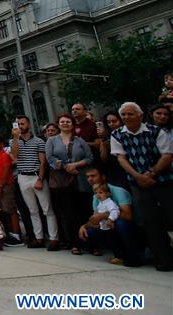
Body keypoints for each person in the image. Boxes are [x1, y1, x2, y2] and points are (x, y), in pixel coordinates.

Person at [110, 102, 173, 271]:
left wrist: (151, 174)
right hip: (137, 183)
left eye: (130, 114)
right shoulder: (117, 134)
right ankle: (164, 259)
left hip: (163, 181)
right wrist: (138, 176)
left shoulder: (156, 131)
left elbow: (167, 156)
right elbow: (121, 158)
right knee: (151, 223)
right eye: (123, 115)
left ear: (140, 116)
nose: (126, 118)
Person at [46, 113, 93, 255]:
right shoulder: (52, 141)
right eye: (62, 122)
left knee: (85, 211)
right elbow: (50, 158)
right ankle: (75, 243)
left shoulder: (80, 141)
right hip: (62, 182)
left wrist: (75, 165)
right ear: (58, 124)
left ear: (72, 125)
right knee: (69, 213)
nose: (65, 124)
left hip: (80, 180)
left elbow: (89, 157)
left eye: (68, 122)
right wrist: (65, 166)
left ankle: (90, 243)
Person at [11, 115, 58, 250]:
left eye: (23, 124)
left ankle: (54, 238)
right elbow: (14, 156)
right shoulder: (15, 141)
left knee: (47, 209)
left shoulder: (39, 141)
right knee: (32, 210)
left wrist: (40, 179)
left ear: (29, 125)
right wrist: (15, 138)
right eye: (18, 124)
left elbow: (43, 162)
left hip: (36, 175)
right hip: (23, 176)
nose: (20, 126)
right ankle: (39, 238)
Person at [78, 165, 140, 266]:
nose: (90, 179)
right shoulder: (96, 196)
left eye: (93, 176)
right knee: (90, 232)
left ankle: (134, 256)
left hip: (134, 225)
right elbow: (95, 219)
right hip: (111, 225)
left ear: (103, 177)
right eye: (88, 177)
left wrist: (103, 216)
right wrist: (84, 226)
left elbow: (128, 215)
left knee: (121, 224)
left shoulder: (118, 191)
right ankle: (119, 255)